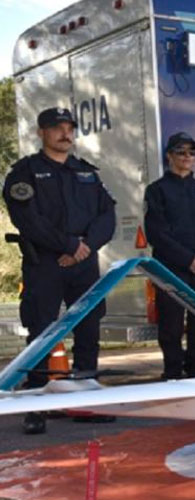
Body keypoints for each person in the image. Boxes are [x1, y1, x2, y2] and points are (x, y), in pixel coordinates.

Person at [3, 107, 117, 434]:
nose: (65, 133)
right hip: (45, 263)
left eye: (69, 128)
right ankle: (36, 405)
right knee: (41, 330)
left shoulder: (86, 173)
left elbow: (106, 215)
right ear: (42, 132)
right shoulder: (24, 173)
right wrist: (68, 246)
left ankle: (85, 399)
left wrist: (84, 248)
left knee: (88, 327)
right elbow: (27, 219)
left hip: (83, 264)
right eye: (57, 128)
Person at [144, 132, 195, 379]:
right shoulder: (157, 190)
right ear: (169, 156)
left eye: (192, 153)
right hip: (172, 267)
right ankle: (172, 369)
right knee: (171, 322)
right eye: (181, 152)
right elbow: (156, 232)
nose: (187, 157)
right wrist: (188, 259)